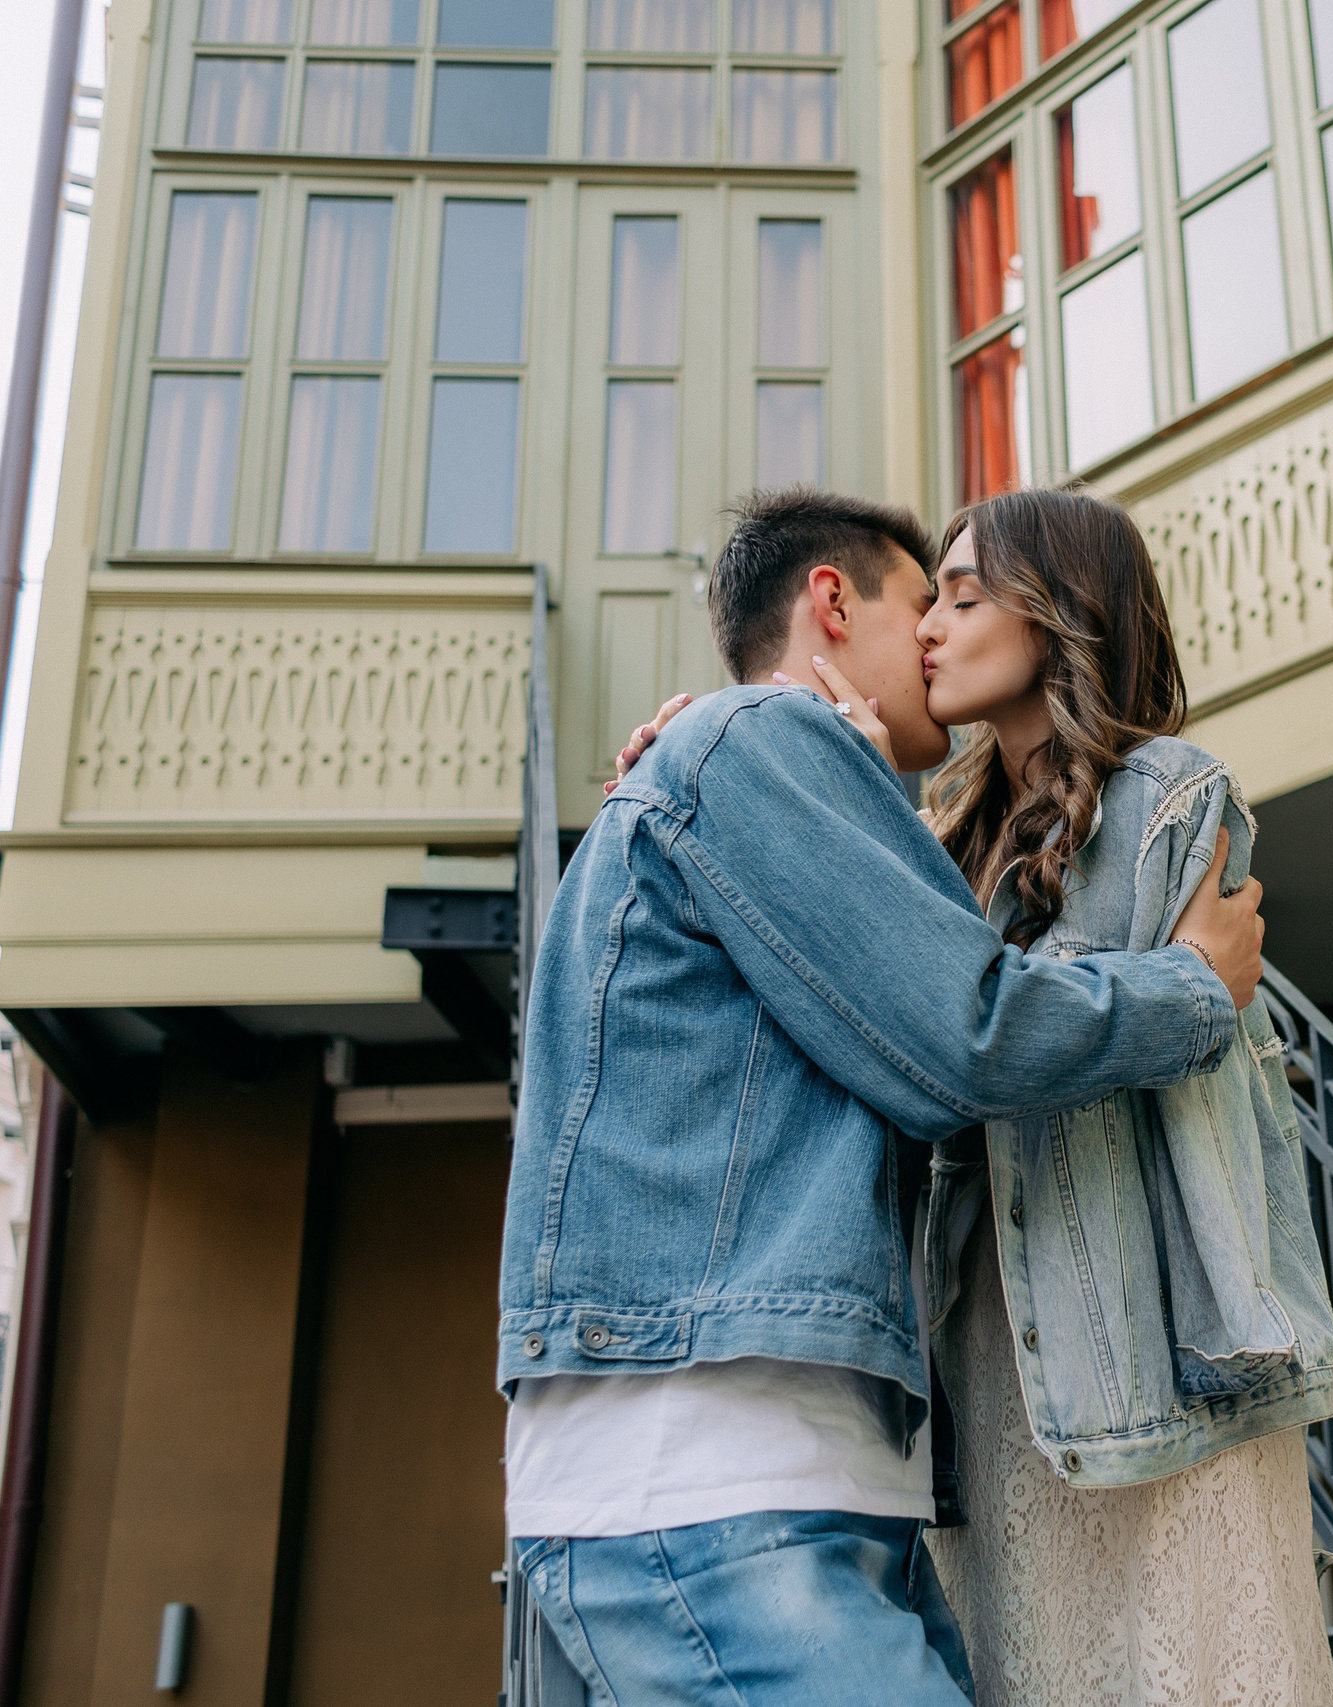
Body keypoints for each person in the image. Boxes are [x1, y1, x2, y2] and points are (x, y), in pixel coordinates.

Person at [502, 487, 1270, 1707]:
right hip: (713, 1479)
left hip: (762, 1477)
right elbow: (965, 1033)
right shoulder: (760, 744)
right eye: (929, 602)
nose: (931, 641)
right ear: (829, 601)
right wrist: (1190, 989)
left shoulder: (752, 771)